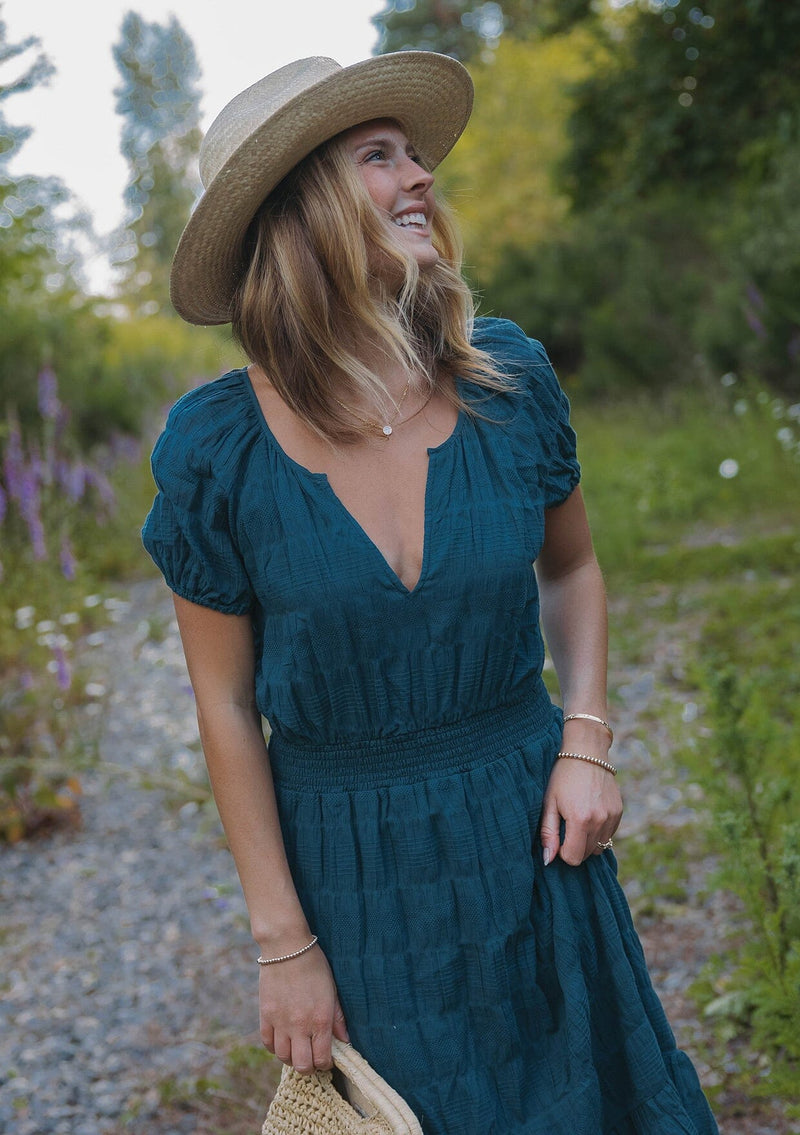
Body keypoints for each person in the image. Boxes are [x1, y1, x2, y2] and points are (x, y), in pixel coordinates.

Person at [143, 52, 718, 1135]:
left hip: (530, 837)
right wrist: (282, 945)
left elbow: (573, 566)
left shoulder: (505, 380)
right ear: (302, 206)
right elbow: (223, 707)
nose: (420, 178)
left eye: (415, 156)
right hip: (354, 874)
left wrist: (585, 741)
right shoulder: (216, 451)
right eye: (379, 156)